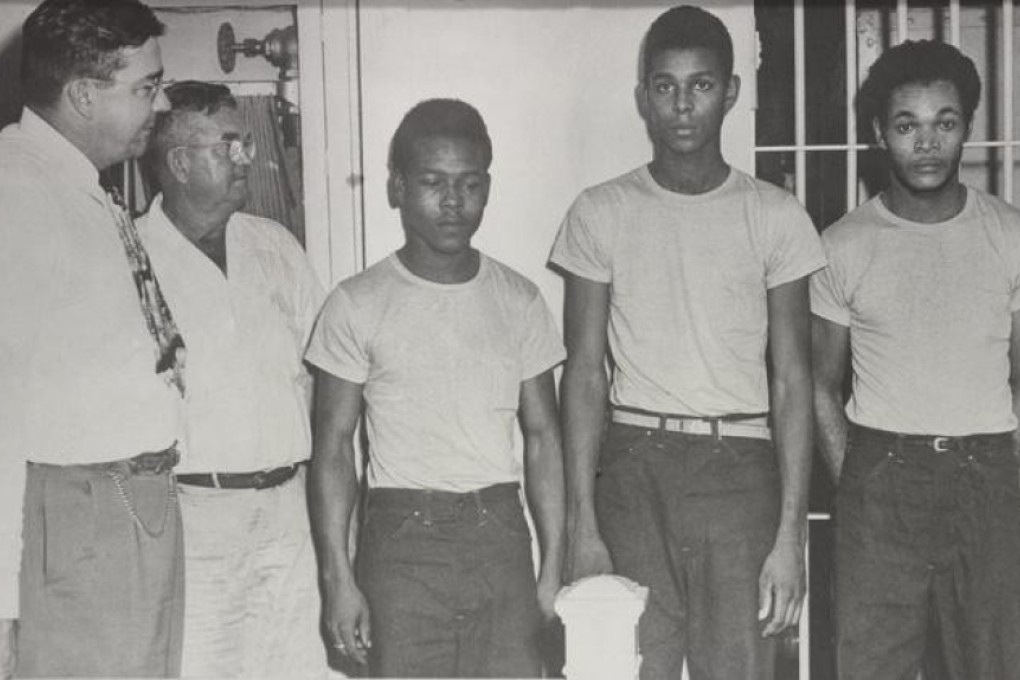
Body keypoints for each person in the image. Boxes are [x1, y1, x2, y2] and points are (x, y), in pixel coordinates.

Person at [550, 6, 824, 678]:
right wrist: (581, 522)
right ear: (644, 96)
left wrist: (790, 535)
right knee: (624, 665)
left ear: (730, 91)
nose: (682, 105)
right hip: (634, 467)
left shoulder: (775, 215)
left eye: (700, 85)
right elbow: (583, 374)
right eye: (665, 86)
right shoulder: (601, 210)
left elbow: (792, 382)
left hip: (741, 470)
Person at [306, 98, 565, 678]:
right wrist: (338, 578)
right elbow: (333, 449)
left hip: (499, 533)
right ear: (398, 187)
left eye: (469, 184)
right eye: (433, 182)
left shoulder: (519, 300)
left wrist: (551, 568)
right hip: (401, 542)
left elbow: (545, 436)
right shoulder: (356, 303)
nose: (453, 201)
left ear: (487, 188)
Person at [811, 39, 1020, 680]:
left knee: (992, 663)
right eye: (908, 125)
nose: (926, 143)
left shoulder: (1010, 234)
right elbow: (819, 384)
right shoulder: (843, 245)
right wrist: (860, 477)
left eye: (945, 123)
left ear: (967, 128)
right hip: (881, 478)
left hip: (988, 478)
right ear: (880, 133)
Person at [0, 0, 186, 676]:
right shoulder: (18, 193)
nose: (158, 104)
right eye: (145, 87)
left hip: (132, 504)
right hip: (78, 517)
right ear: (82, 94)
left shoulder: (79, 188)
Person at [137, 80, 326, 678]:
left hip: (290, 509)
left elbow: (319, 378)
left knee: (297, 666)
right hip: (193, 515)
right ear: (180, 163)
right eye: (228, 146)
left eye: (244, 144)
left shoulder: (275, 246)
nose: (246, 159)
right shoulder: (131, 256)